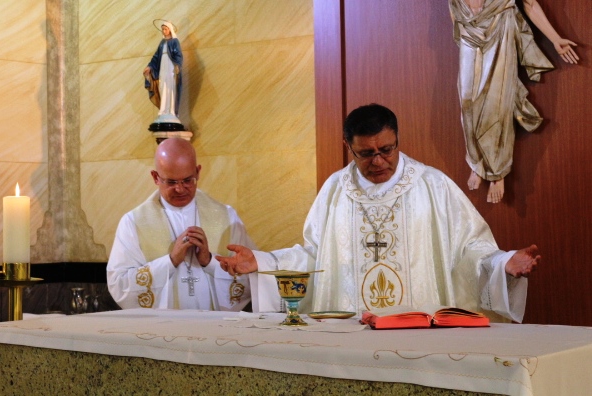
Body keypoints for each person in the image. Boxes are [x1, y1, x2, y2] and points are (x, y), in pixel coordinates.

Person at [217, 104, 540, 323]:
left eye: (387, 149)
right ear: (348, 146)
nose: (378, 161)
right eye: (366, 153)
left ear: (397, 140)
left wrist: (502, 263)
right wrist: (263, 263)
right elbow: (313, 256)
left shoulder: (432, 185)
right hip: (351, 334)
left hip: (419, 333)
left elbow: (469, 249)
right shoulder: (335, 190)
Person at [450, 0, 578, 203]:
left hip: (500, 25)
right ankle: (477, 162)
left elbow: (530, 4)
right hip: (469, 29)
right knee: (467, 102)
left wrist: (555, 38)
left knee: (497, 102)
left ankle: (497, 170)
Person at [107, 138, 255, 311]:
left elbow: (250, 275)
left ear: (198, 172)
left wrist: (209, 261)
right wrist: (170, 261)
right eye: (171, 182)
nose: (180, 189)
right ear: (155, 177)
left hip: (215, 328)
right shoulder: (133, 222)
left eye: (187, 180)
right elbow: (119, 284)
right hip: (161, 331)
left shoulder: (227, 217)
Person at [143, 20, 183, 125]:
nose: (164, 31)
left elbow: (178, 55)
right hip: (162, 67)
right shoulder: (162, 43)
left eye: (165, 29)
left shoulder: (175, 41)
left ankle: (171, 111)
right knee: (162, 86)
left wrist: (177, 65)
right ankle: (163, 110)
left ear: (170, 30)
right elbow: (156, 57)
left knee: (170, 86)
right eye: (163, 30)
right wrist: (150, 66)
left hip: (171, 66)